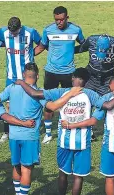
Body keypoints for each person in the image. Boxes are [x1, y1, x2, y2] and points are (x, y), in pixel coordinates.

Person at [15, 68, 100, 195]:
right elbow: (106, 104)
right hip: (83, 142)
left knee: (63, 173)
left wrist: (21, 82)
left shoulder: (62, 92)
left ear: (73, 77)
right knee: (79, 177)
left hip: (64, 141)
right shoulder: (91, 94)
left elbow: (35, 94)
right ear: (86, 82)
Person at [0, 63, 47, 195]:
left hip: (14, 135)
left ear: (24, 75)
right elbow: (50, 110)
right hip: (30, 136)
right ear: (37, 76)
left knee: (16, 166)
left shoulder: (11, 88)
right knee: (27, 169)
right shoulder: (39, 92)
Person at [35, 6, 85, 145]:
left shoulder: (76, 29)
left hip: (69, 73)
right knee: (48, 103)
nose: (59, 22)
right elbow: (42, 46)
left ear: (67, 18)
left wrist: (70, 50)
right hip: (51, 72)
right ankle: (49, 133)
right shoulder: (48, 30)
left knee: (70, 103)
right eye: (56, 20)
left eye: (61, 19)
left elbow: (83, 44)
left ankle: (69, 129)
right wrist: (27, 55)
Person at [0, 17, 42, 143]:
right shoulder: (3, 32)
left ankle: (30, 127)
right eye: (11, 32)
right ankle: (7, 132)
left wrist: (32, 53)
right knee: (9, 105)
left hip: (28, 77)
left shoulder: (30, 32)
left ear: (20, 27)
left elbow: (42, 44)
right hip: (12, 77)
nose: (12, 34)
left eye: (15, 32)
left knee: (29, 103)